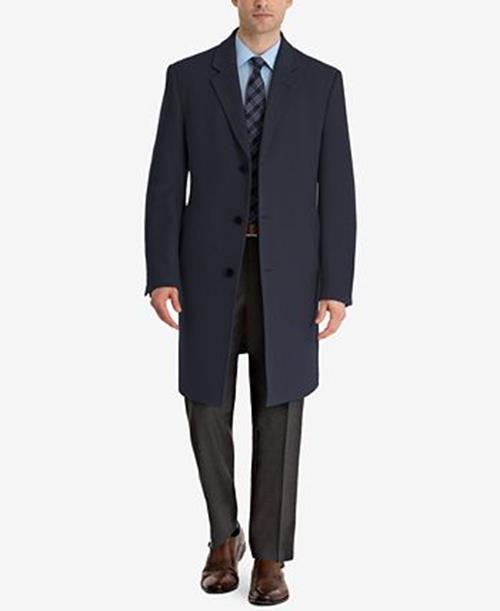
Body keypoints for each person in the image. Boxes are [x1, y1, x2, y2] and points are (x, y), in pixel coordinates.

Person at [143, 0, 356, 605]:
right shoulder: (188, 77)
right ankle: (222, 537)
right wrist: (161, 270)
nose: (262, 1)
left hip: (290, 277)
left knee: (279, 408)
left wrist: (336, 283)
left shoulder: (322, 82)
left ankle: (269, 555)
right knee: (206, 404)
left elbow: (337, 186)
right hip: (206, 271)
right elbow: (166, 180)